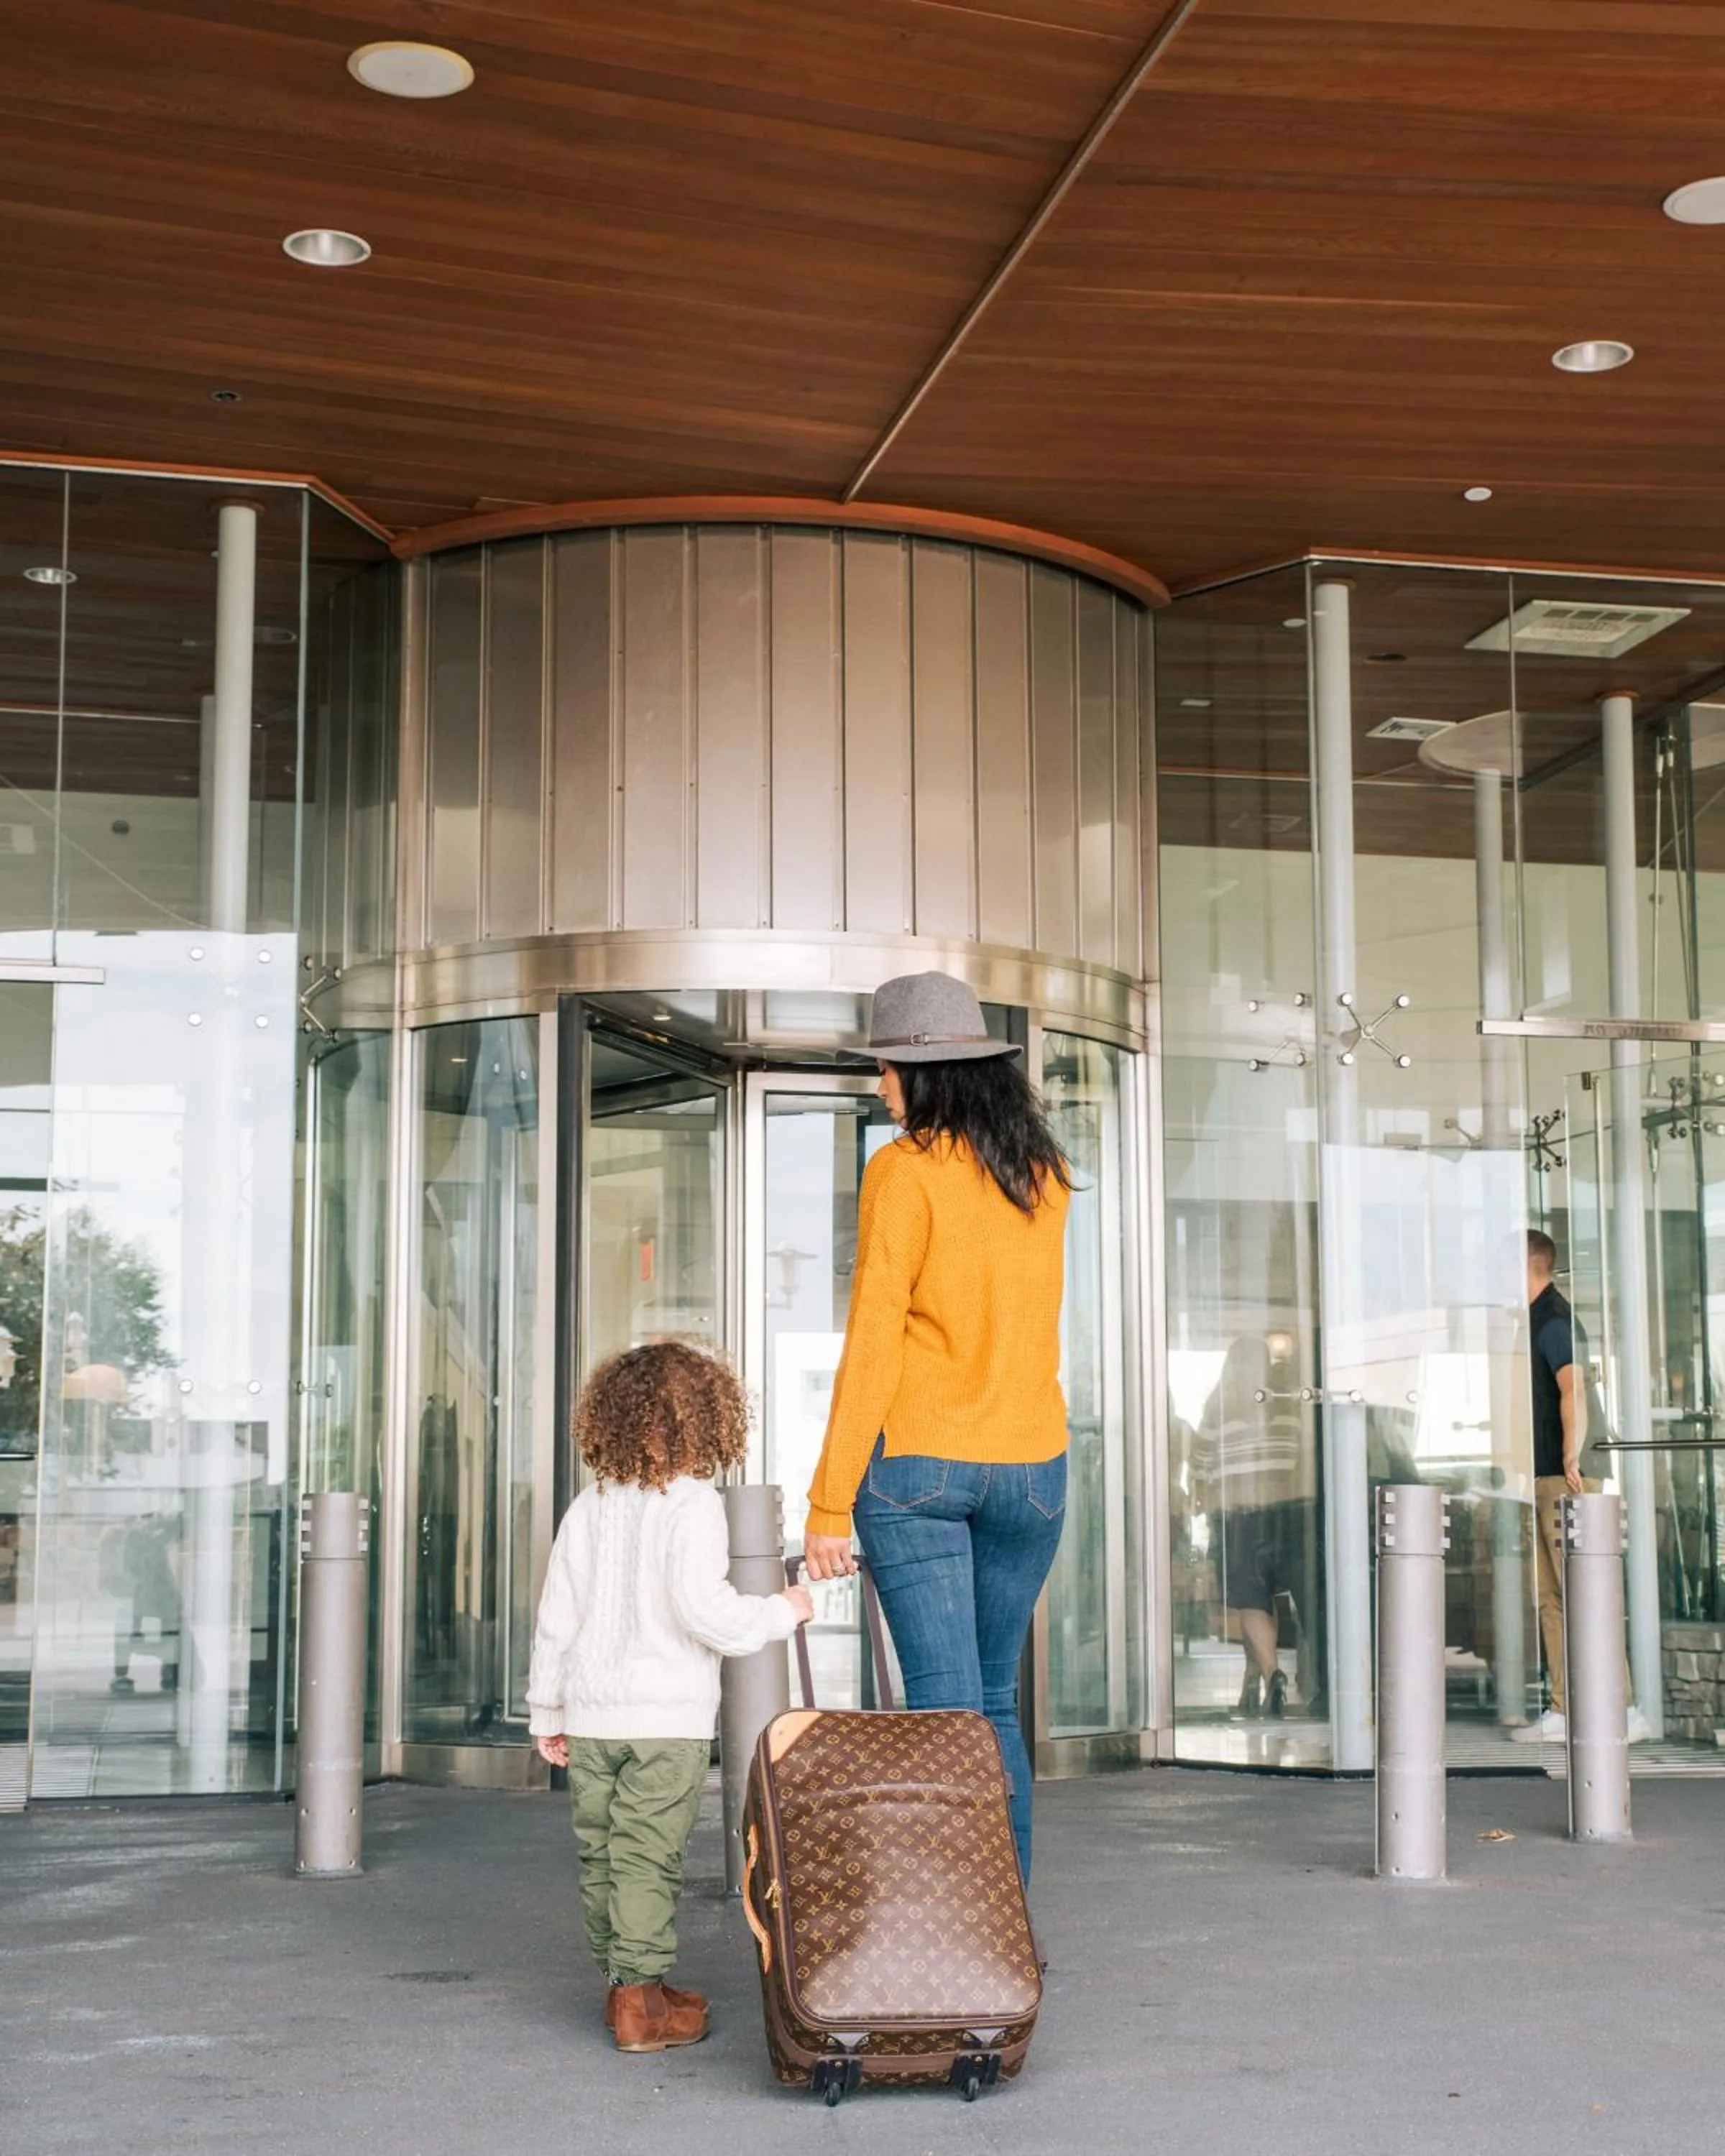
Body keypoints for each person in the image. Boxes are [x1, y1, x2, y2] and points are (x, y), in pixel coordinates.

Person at [801, 971, 1071, 1881]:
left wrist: (828, 1500)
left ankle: (962, 1952)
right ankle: (1005, 1933)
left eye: (884, 1067)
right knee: (991, 1704)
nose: (881, 1085)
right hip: (1034, 1469)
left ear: (923, 1071)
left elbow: (874, 1335)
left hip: (921, 1464)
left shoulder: (904, 1171)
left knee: (946, 1712)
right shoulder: (1045, 1175)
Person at [526, 1342, 814, 2053]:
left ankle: (627, 1982)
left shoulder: (588, 1507)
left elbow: (556, 1616)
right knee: (648, 1859)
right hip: (663, 1723)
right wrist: (785, 1610)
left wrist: (547, 1711)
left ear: (611, 1422)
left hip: (593, 1720)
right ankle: (642, 2008)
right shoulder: (692, 1505)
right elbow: (704, 1611)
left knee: (604, 1857)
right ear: (705, 1425)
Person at [1511, 1230, 1651, 1745]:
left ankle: (1625, 1709)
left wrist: (1573, 1450)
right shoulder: (1536, 1318)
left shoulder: (1553, 1319)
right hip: (1548, 1473)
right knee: (1552, 1597)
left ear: (1527, 1265)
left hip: (1567, 1473)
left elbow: (1573, 1387)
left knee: (1583, 1593)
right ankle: (1565, 1710)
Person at [1191, 1335, 1312, 1719]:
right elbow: (1298, 1454)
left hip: (1238, 1515)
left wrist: (1200, 1489)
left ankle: (1273, 1672)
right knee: (1268, 1601)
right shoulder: (1285, 1403)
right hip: (1284, 1514)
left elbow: (1200, 1462)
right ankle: (1252, 1680)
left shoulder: (1218, 1408)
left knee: (1251, 1602)